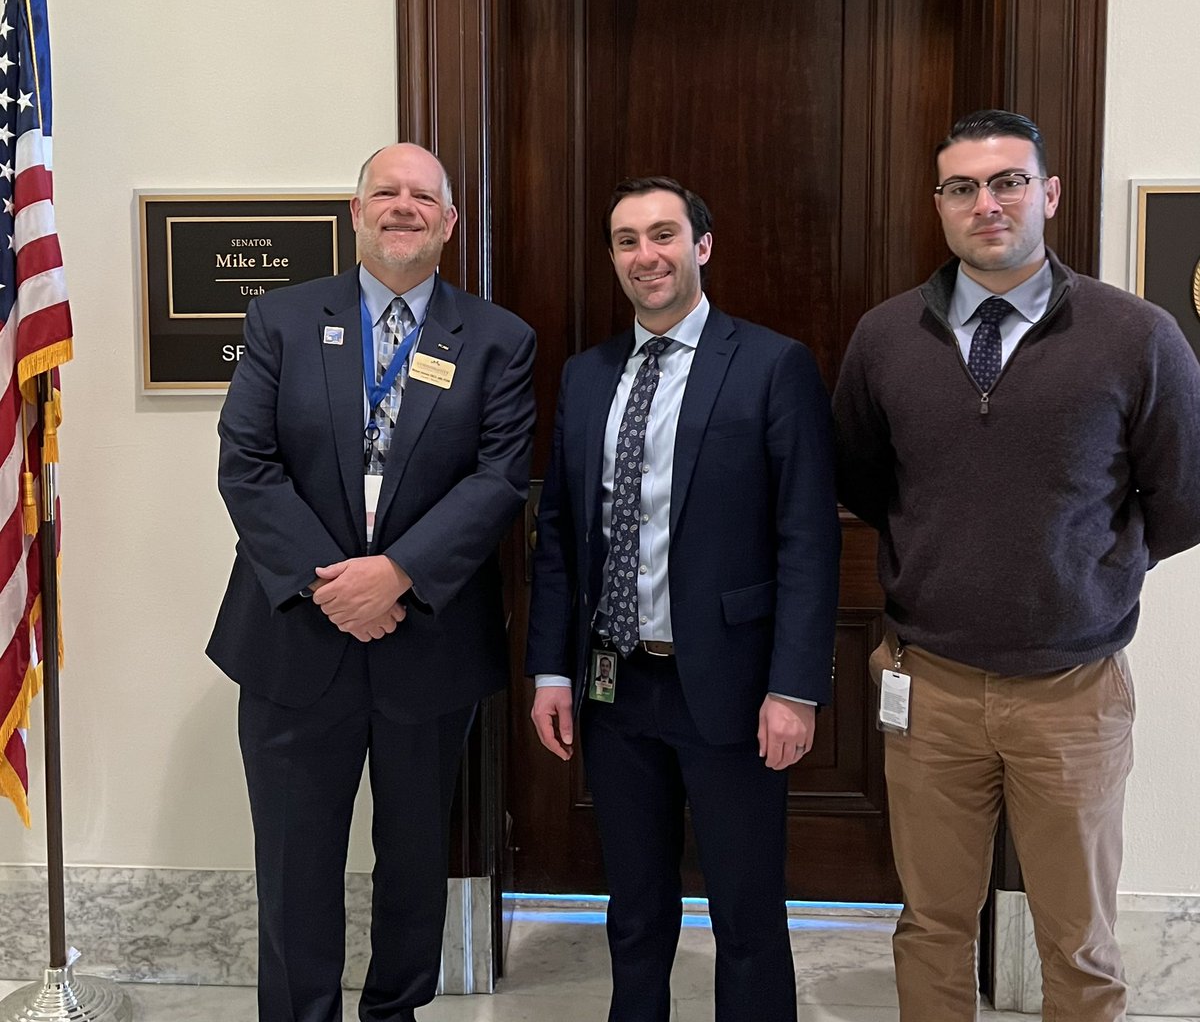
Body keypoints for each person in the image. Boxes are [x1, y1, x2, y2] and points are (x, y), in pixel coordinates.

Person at [832, 109, 1200, 1022]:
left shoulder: (1136, 335)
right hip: (932, 689)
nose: (985, 204)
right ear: (940, 206)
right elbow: (867, 483)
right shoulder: (884, 340)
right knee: (931, 927)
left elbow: (1184, 497)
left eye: (1007, 183)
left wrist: (1081, 571)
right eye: (963, 187)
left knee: (1078, 942)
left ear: (1049, 194)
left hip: (1072, 697)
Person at [208, 142, 536, 1022]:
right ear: (355, 214)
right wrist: (334, 585)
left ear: (450, 223)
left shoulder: (499, 340)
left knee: (416, 859)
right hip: (293, 638)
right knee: (293, 858)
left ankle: (395, 1011)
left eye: (422, 196)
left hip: (425, 641)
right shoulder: (281, 318)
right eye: (384, 192)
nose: (403, 206)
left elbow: (498, 478)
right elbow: (247, 463)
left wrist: (395, 574)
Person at [526, 176, 841, 1022]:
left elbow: (808, 539)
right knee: (632, 909)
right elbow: (558, 534)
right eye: (627, 241)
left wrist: (795, 687)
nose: (645, 256)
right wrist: (549, 674)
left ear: (702, 246)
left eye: (663, 235)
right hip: (615, 686)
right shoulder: (588, 377)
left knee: (744, 912)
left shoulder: (772, 365)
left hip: (735, 690)